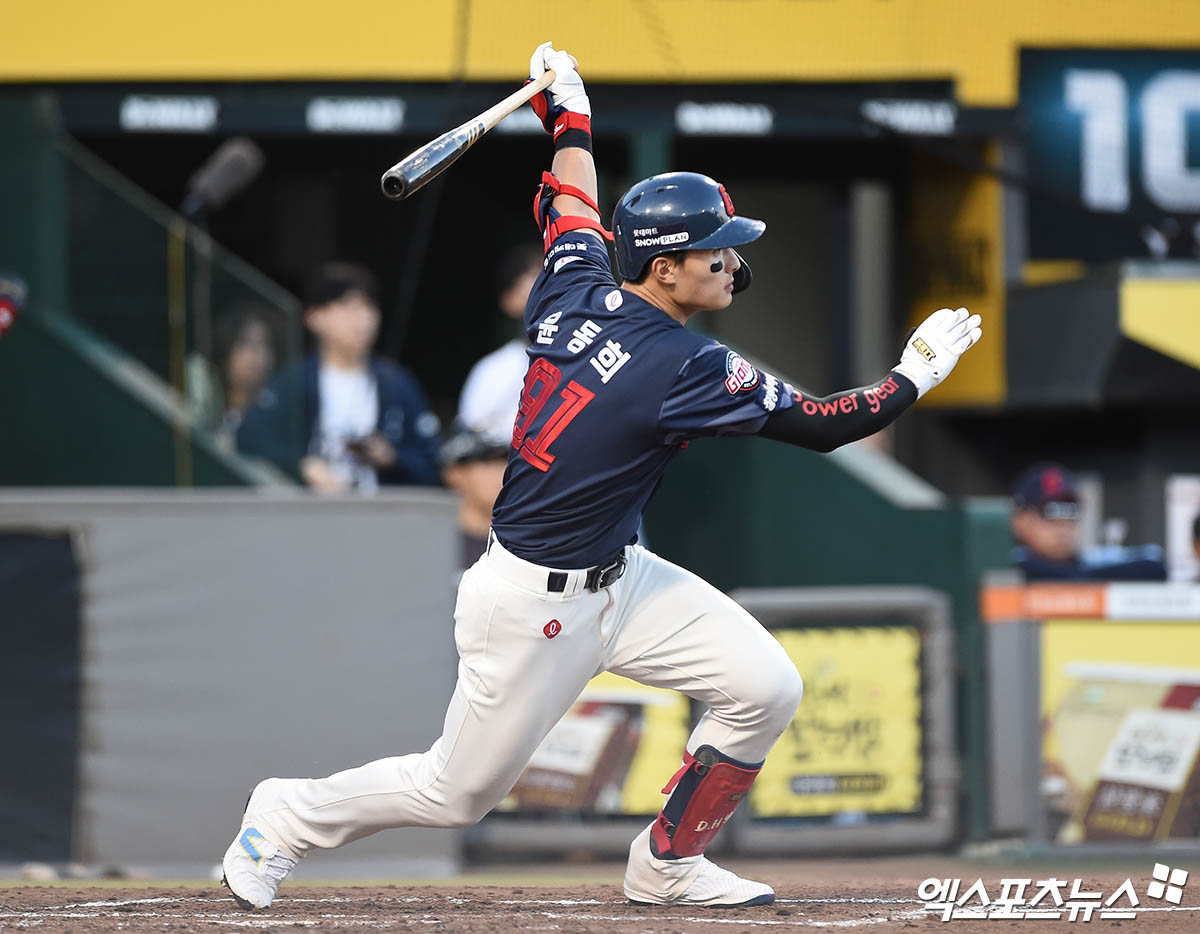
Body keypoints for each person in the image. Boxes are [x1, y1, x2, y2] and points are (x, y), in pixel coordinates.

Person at [219, 42, 982, 911]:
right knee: (454, 793)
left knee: (766, 686)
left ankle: (666, 863)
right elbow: (823, 427)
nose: (733, 263)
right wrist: (909, 378)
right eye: (716, 253)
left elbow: (575, 195)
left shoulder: (573, 281)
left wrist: (569, 112)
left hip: (624, 576)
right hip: (531, 604)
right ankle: (283, 816)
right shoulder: (683, 367)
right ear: (664, 269)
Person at [236, 262, 441, 492]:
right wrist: (302, 465)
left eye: (369, 306)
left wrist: (393, 458)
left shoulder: (397, 383)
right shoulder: (293, 380)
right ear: (315, 317)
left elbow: (434, 463)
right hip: (312, 515)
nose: (363, 318)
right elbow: (248, 438)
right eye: (347, 306)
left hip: (381, 515)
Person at [444, 247, 545, 566]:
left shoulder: (591, 363)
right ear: (510, 298)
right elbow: (470, 454)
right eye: (534, 277)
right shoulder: (494, 370)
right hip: (514, 512)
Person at [1010, 463, 1166, 580]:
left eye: (1071, 512)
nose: (1063, 526)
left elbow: (1154, 562)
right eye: (1049, 514)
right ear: (1020, 520)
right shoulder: (1008, 564)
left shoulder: (1085, 563)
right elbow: (1028, 568)